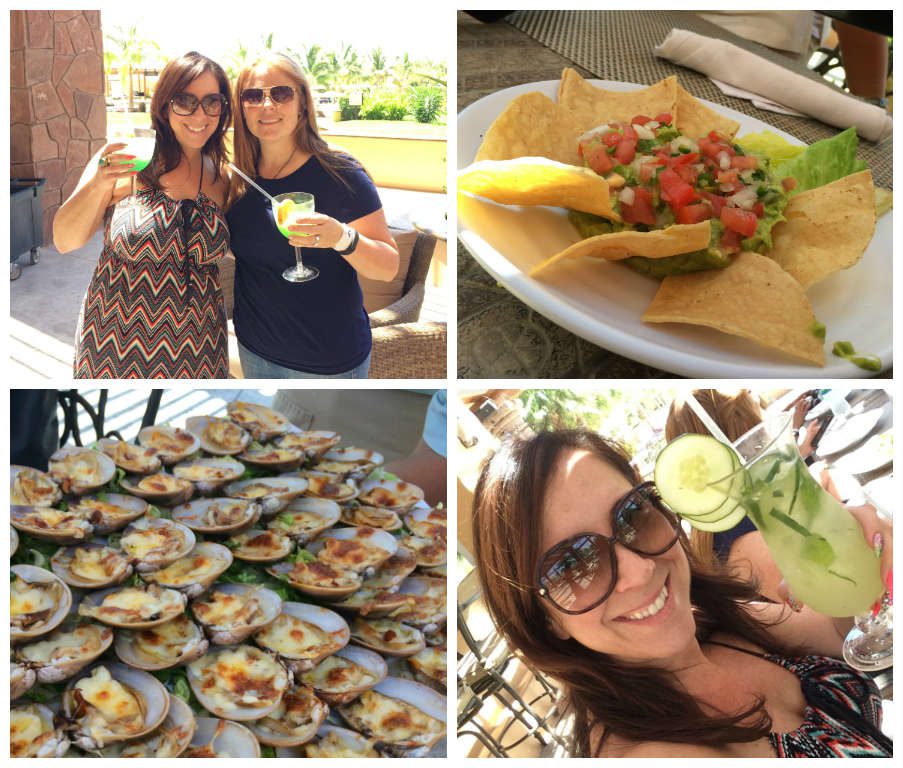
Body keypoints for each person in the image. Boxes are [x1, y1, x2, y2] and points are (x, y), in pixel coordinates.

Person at [472, 429, 892, 757]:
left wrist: (869, 566)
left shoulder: (713, 626)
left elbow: (846, 633)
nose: (638, 571)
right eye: (572, 564)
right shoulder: (653, 753)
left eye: (633, 514)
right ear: (543, 618)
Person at [55, 51, 232, 379]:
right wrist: (98, 184)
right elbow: (65, 241)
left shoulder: (222, 177)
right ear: (165, 104)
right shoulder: (124, 160)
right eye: (185, 100)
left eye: (212, 101)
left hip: (201, 349)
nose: (199, 114)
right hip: (115, 344)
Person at [226, 53, 399, 378]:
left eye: (281, 93)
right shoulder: (238, 180)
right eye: (253, 96)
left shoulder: (340, 172)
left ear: (302, 103)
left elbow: (388, 267)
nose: (267, 105)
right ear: (241, 108)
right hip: (254, 349)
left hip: (329, 360)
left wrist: (341, 237)